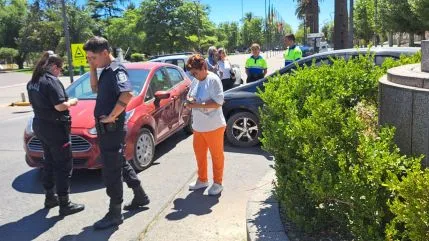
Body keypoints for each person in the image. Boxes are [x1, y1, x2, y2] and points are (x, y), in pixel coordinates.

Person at [83, 36, 149, 230]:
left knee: (111, 171)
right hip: (107, 130)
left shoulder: (116, 69)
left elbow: (127, 94)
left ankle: (115, 213)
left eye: (92, 58)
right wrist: (93, 68)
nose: (90, 61)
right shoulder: (104, 70)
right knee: (119, 162)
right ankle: (140, 195)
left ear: (105, 53)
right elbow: (94, 88)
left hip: (111, 129)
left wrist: (112, 116)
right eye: (88, 58)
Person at [27, 51, 85, 216]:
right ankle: (65, 203)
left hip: (41, 126)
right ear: (53, 66)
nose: (60, 71)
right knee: (64, 165)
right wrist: (72, 102)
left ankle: (49, 197)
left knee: (49, 162)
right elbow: (60, 106)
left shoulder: (33, 81)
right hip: (56, 128)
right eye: (60, 68)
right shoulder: (51, 81)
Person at [185, 54, 226, 196]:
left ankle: (218, 183)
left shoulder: (213, 80)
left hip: (214, 126)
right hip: (198, 126)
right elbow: (191, 94)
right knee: (200, 154)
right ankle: (202, 180)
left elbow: (218, 102)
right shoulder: (196, 80)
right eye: (192, 74)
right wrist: (189, 99)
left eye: (195, 73)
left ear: (203, 67)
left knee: (216, 155)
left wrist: (196, 104)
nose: (194, 76)